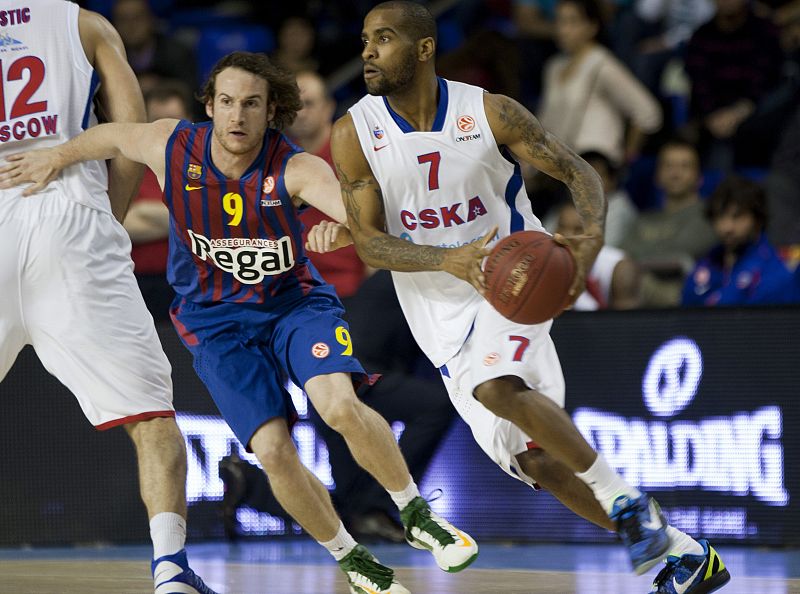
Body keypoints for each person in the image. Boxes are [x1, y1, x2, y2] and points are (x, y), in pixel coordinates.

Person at [2, 51, 478, 594]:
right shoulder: (171, 144)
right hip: (215, 323)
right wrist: (56, 156)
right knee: (273, 451)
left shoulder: (297, 168)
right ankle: (352, 559)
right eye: (227, 102)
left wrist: (346, 232)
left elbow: (372, 221)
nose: (237, 115)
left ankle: (415, 512)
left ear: (271, 110)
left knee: (339, 405)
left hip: (293, 307)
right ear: (209, 106)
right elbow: (109, 136)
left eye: (251, 104)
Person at [322, 3, 731, 593]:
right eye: (364, 39)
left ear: (424, 48)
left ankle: (624, 498)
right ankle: (686, 554)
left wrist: (588, 245)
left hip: (515, 281)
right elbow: (368, 241)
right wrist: (446, 260)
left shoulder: (489, 111)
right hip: (440, 321)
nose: (367, 51)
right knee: (536, 464)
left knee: (496, 386)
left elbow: (578, 172)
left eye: (383, 39)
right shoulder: (354, 131)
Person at [0, 2, 215, 593]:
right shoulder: (84, 24)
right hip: (70, 217)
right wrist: (109, 216)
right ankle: (171, 570)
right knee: (151, 417)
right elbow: (132, 134)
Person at [538, 0, 662, 166]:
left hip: (597, 164)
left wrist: (628, 158)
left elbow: (648, 113)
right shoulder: (554, 67)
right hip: (560, 167)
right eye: (559, 21)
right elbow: (545, 121)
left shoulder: (602, 64)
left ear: (592, 27)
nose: (562, 29)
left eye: (572, 22)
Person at [125, 81, 193, 321]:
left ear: (189, 122)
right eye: (156, 123)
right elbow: (121, 224)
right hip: (137, 286)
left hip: (192, 287)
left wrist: (144, 211)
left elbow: (217, 223)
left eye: (173, 122)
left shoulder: (204, 169)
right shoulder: (128, 169)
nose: (165, 133)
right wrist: (186, 218)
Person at [621, 139, 716, 306]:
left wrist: (634, 262)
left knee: (627, 280)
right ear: (657, 176)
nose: (675, 173)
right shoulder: (643, 219)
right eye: (668, 166)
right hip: (638, 294)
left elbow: (681, 253)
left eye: (684, 166)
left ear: (699, 177)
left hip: (683, 297)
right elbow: (622, 255)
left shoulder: (707, 215)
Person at [682, 176, 795, 306]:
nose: (727, 227)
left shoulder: (774, 269)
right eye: (720, 216)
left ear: (757, 219)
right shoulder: (706, 264)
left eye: (737, 217)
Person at [554, 202, 641, 309]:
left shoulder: (619, 268)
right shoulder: (545, 260)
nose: (566, 236)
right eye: (562, 227)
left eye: (578, 229)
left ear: (596, 234)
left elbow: (626, 319)